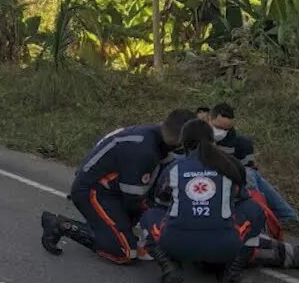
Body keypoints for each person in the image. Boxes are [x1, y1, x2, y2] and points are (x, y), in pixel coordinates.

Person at [41, 108, 194, 264]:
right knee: (126, 252)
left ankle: (106, 228)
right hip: (92, 190)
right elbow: (134, 199)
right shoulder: (144, 150)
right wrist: (154, 222)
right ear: (180, 137)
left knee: (141, 218)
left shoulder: (155, 137)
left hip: (113, 188)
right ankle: (60, 225)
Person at [139, 119, 270, 283]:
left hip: (176, 244)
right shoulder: (231, 165)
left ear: (184, 143)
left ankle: (169, 267)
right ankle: (230, 277)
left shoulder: (174, 168)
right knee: (255, 210)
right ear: (213, 141)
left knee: (149, 214)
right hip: (223, 245)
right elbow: (241, 198)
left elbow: (160, 202)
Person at [207, 102, 299, 225]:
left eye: (226, 129)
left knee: (251, 175)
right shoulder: (197, 135)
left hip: (234, 180)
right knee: (252, 177)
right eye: (218, 128)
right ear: (209, 119)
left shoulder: (242, 143)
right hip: (207, 178)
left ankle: (283, 217)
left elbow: (249, 170)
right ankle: (274, 215)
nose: (221, 132)